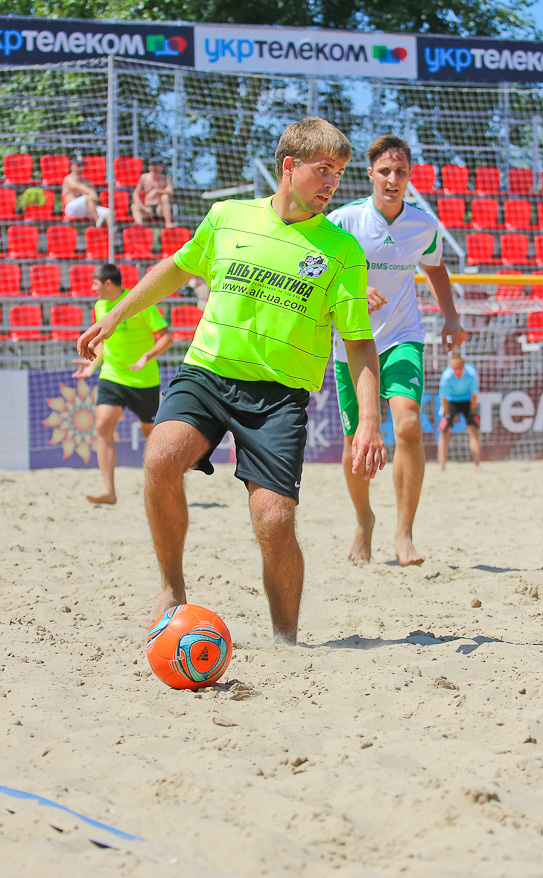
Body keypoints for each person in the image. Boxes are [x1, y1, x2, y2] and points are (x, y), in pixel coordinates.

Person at [77, 117, 386, 645]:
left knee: (274, 520)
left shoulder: (342, 250)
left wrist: (370, 422)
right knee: (160, 457)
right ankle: (172, 589)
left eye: (339, 172)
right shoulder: (227, 217)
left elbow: (358, 343)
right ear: (288, 166)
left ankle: (286, 640)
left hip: (278, 396)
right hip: (207, 373)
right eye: (324, 169)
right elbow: (177, 268)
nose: (333, 182)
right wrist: (117, 315)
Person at [328, 133, 467, 565]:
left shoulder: (423, 224)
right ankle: (364, 519)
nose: (393, 179)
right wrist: (355, 291)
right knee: (355, 442)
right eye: (385, 171)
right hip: (352, 341)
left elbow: (436, 268)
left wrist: (451, 317)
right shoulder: (343, 221)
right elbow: (317, 274)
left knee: (407, 425)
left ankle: (404, 533)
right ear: (370, 173)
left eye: (401, 171)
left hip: (402, 336)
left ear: (409, 176)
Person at [73, 263, 173, 505]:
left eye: (95, 283)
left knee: (151, 435)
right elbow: (103, 341)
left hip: (144, 379)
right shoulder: (99, 306)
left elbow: (167, 338)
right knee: (103, 425)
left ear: (108, 284)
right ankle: (109, 491)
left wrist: (147, 355)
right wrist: (92, 365)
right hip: (112, 375)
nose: (92, 288)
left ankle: (163, 488)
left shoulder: (139, 303)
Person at [438, 354, 481, 472]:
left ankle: (477, 465)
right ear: (451, 367)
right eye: (455, 368)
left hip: (467, 400)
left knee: (473, 429)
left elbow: (474, 394)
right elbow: (443, 396)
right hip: (451, 400)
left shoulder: (471, 374)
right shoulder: (446, 376)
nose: (457, 371)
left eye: (459, 368)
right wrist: (446, 415)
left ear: (463, 366)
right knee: (445, 430)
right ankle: (442, 465)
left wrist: (472, 412)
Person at [62, 157, 110, 226]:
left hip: (86, 209)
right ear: (71, 166)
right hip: (71, 210)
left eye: (82, 165)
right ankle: (98, 222)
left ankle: (108, 231)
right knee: (88, 197)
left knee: (109, 213)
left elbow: (94, 198)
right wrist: (91, 192)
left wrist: (92, 194)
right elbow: (79, 187)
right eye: (78, 165)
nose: (80, 168)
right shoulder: (68, 179)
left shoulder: (87, 182)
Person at [131, 158, 174, 228]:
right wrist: (138, 203)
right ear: (149, 167)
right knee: (134, 206)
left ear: (161, 167)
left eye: (156, 165)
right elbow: (135, 193)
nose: (154, 168)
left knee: (165, 197)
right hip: (148, 209)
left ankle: (168, 223)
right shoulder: (144, 177)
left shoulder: (166, 178)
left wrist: (156, 191)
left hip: (160, 209)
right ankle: (139, 225)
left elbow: (170, 191)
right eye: (152, 165)